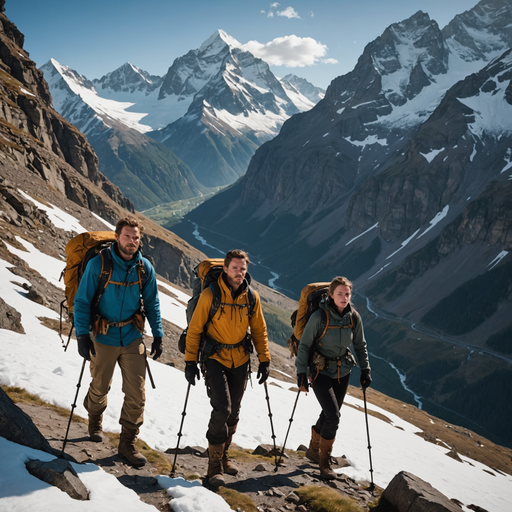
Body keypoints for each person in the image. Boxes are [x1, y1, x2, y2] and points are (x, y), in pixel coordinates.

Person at [74, 216, 164, 467]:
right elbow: (81, 301)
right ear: (117, 237)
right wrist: (82, 335)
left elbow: (153, 302)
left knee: (137, 392)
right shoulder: (98, 264)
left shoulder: (144, 267)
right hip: (103, 335)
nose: (132, 241)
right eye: (127, 236)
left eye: (136, 237)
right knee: (100, 386)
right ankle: (95, 417)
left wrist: (158, 334)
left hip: (133, 336)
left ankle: (127, 443)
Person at [184, 249, 271, 486]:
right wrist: (190, 362)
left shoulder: (251, 297)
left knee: (234, 412)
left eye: (243, 269)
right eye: (235, 268)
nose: (239, 273)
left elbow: (259, 330)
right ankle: (213, 466)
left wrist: (265, 359)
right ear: (225, 269)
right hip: (215, 357)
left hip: (241, 359)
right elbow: (195, 329)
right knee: (222, 408)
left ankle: (223, 456)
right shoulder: (210, 294)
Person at [296, 276, 371, 480]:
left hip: (343, 371)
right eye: (340, 294)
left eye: (347, 294)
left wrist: (366, 370)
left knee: (330, 413)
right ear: (331, 294)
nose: (344, 298)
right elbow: (304, 345)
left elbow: (360, 345)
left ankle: (313, 450)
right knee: (334, 415)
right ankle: (324, 462)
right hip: (320, 371)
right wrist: (301, 373)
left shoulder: (353, 317)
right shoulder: (319, 317)